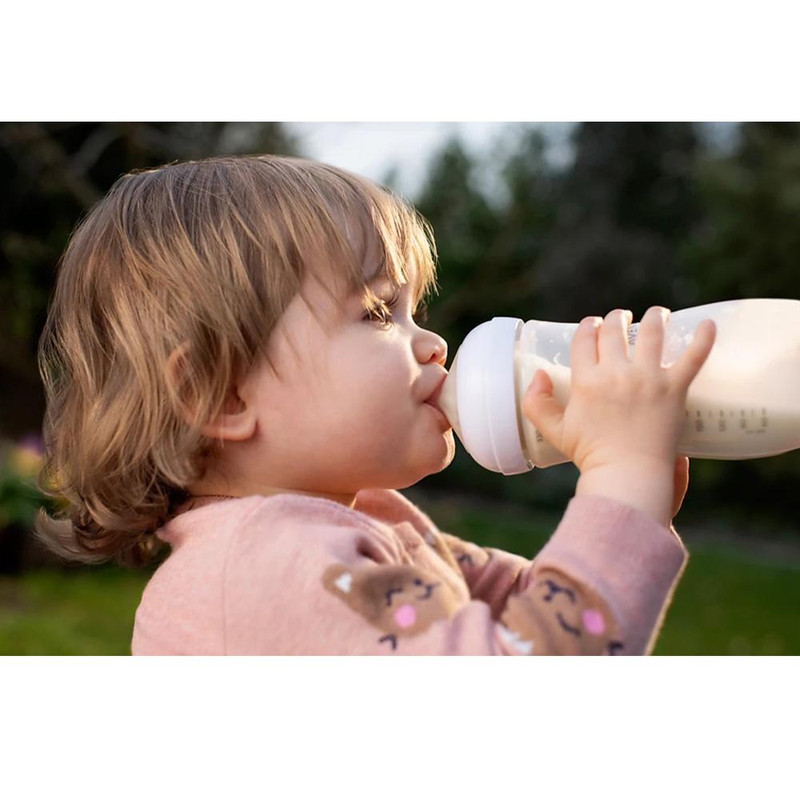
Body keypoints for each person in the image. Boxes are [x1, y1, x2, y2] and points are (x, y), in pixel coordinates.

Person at [35, 154, 716, 655]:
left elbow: (535, 620)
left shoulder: (365, 525)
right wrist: (622, 480)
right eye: (377, 313)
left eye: (414, 311)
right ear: (220, 393)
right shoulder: (265, 567)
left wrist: (637, 498)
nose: (433, 344)